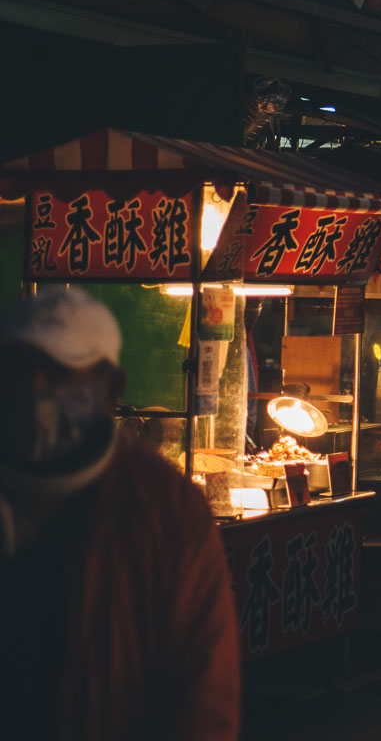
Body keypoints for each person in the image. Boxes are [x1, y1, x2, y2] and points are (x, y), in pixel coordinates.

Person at [0, 289, 239, 740]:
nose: (36, 389)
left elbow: (205, 694)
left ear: (110, 387)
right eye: (18, 370)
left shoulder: (165, 511)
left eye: (60, 373)